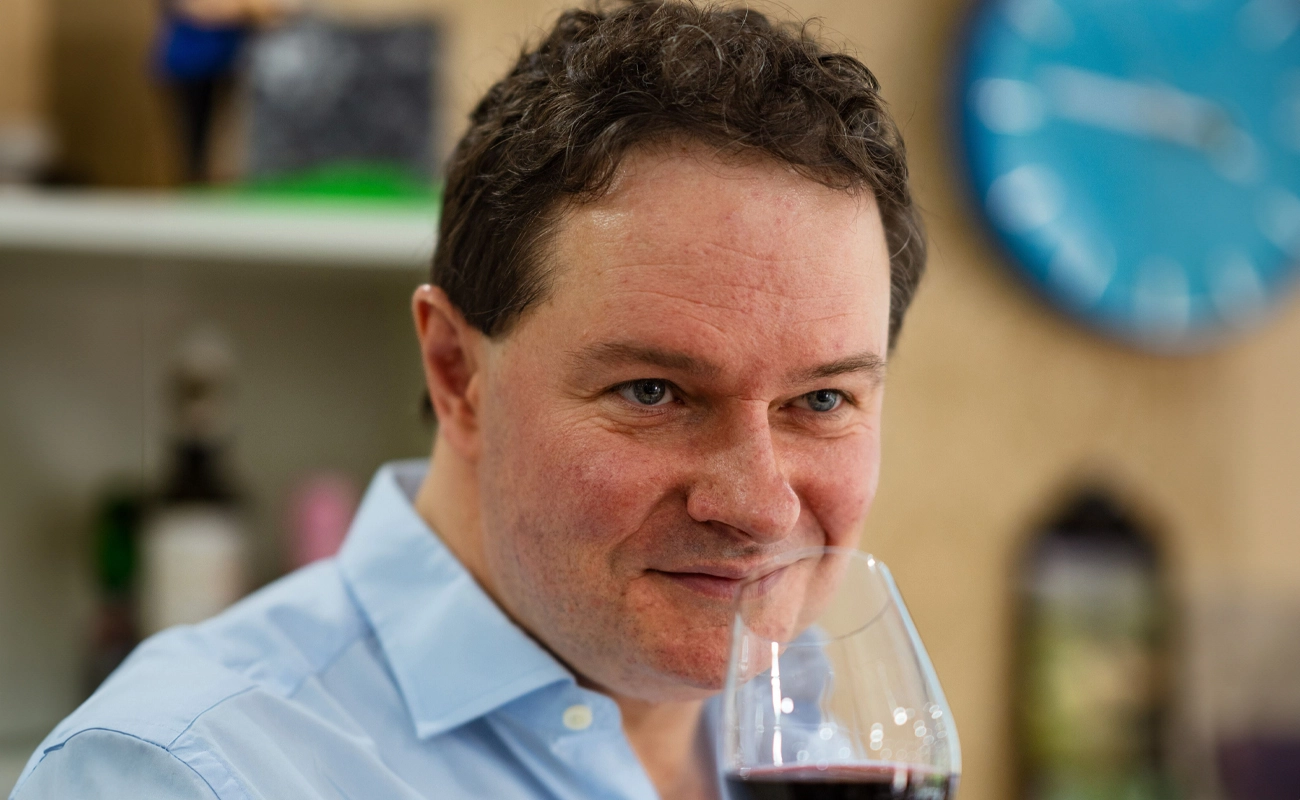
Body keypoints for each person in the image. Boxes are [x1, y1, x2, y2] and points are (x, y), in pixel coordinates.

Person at [10, 1, 924, 798]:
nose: (760, 508)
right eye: (655, 392)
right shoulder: (190, 774)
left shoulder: (815, 728)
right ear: (454, 371)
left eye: (822, 401)